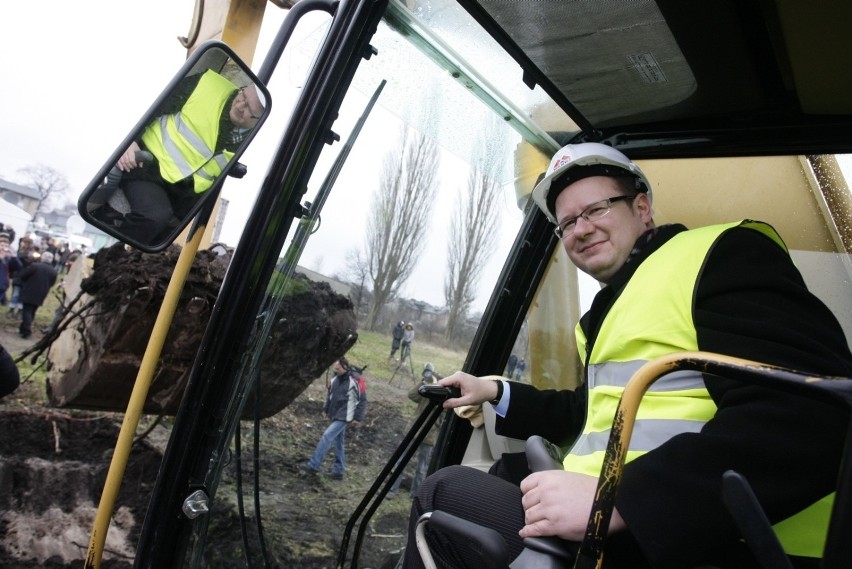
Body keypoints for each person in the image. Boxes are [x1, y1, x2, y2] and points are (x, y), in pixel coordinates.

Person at [403, 142, 852, 569]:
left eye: (596, 209)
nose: (580, 229)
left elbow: (814, 411)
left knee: (443, 493)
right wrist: (493, 390)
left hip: (719, 540)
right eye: (567, 223)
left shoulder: (720, 256)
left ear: (641, 208)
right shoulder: (609, 307)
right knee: (503, 472)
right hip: (628, 524)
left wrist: (620, 500)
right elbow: (594, 413)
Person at [92, 69, 266, 241]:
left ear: (258, 120)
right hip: (149, 167)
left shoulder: (248, 141)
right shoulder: (207, 85)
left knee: (171, 239)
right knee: (155, 216)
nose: (240, 106)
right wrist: (132, 141)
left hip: (184, 197)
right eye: (242, 96)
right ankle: (121, 250)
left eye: (249, 108)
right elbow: (159, 104)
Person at [300, 356, 367, 480]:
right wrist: (326, 409)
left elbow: (362, 400)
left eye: (338, 368)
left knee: (327, 436)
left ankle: (314, 465)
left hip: (346, 415)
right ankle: (339, 470)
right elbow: (330, 395)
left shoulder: (353, 381)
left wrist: (357, 418)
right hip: (336, 413)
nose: (335, 370)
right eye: (334, 368)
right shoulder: (335, 378)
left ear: (345, 367)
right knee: (338, 441)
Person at [390, 363, 445, 497]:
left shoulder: (445, 396)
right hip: (414, 431)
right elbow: (412, 395)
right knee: (401, 462)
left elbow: (443, 419)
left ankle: (415, 494)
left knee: (421, 468)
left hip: (429, 436)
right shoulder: (426, 391)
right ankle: (391, 490)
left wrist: (434, 424)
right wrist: (424, 381)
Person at [18, 251, 58, 339]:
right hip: (42, 293)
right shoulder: (54, 271)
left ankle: (26, 331)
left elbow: (23, 275)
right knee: (32, 311)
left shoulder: (35, 266)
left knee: (27, 311)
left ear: (42, 258)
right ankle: (23, 328)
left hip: (30, 291)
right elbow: (52, 283)